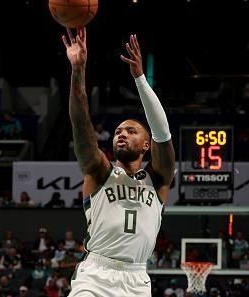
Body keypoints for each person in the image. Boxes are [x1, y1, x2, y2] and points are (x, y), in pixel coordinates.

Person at [62, 28, 175, 297]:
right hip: (96, 276)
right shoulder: (99, 172)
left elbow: (163, 133)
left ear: (146, 145)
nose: (121, 133)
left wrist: (140, 80)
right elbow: (80, 124)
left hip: (137, 279)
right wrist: (78, 70)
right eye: (117, 132)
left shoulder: (158, 179)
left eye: (131, 131)